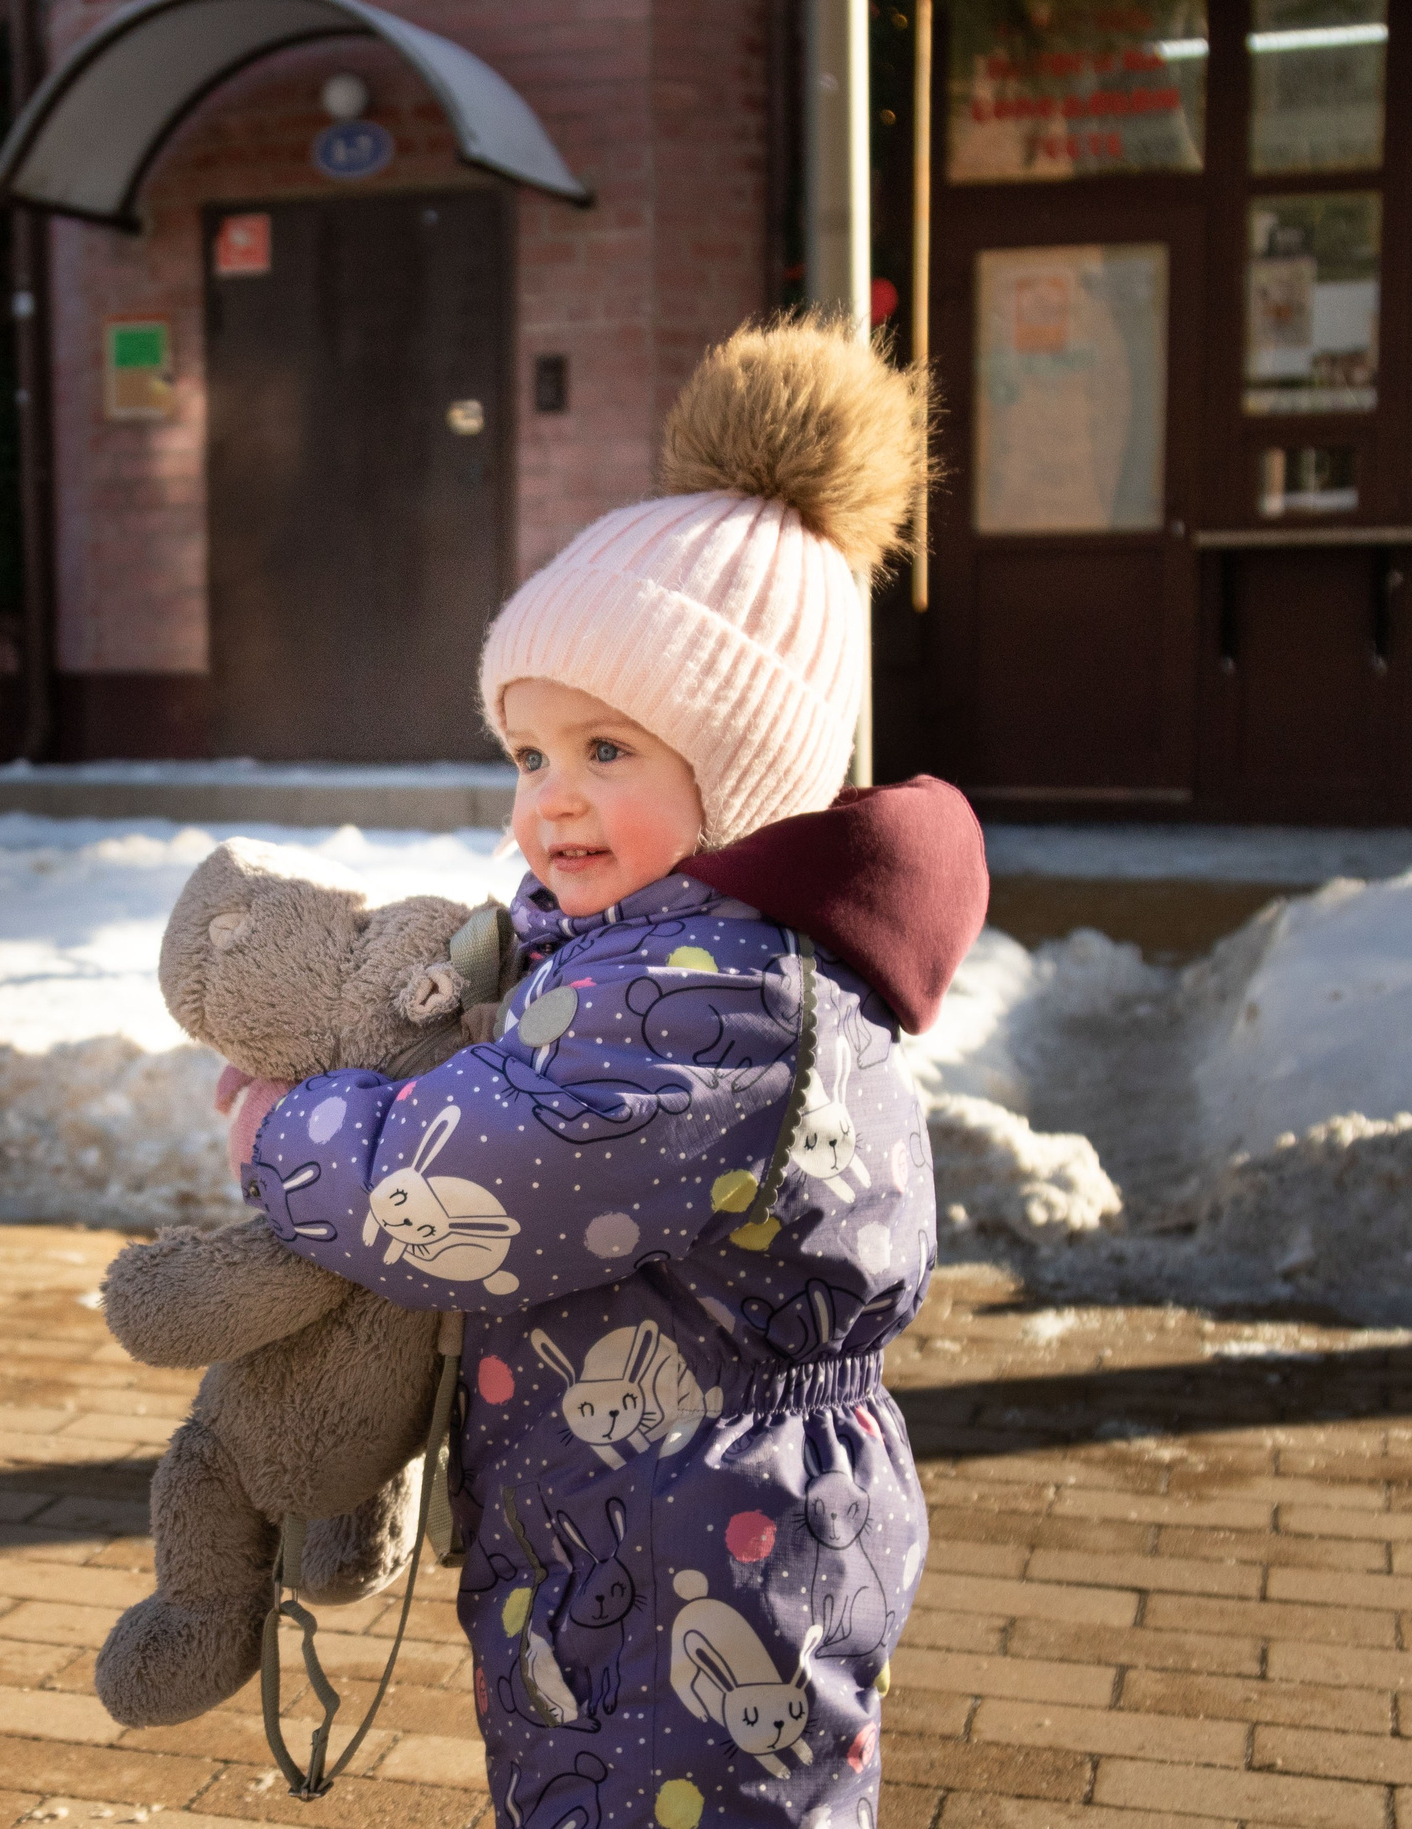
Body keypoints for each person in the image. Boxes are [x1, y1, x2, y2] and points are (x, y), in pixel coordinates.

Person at [241, 315, 988, 1825]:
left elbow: (458, 1193)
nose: (551, 804)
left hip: (703, 1555)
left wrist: (287, 1124)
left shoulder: (714, 1007)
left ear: (747, 771)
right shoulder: (649, 959)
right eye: (529, 755)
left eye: (608, 753)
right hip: (631, 1525)